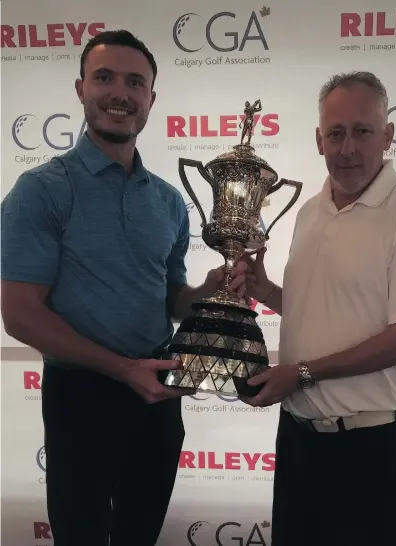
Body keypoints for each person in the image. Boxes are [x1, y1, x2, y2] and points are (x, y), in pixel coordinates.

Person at [1, 30, 246, 546]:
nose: (121, 93)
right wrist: (123, 369)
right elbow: (20, 313)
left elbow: (171, 299)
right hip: (81, 397)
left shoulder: (169, 201)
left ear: (151, 99)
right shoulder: (42, 190)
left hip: (157, 393)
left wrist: (206, 291)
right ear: (80, 88)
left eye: (135, 82)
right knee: (82, 535)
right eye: (105, 77)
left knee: (140, 534)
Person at [240, 71, 396, 546]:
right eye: (336, 133)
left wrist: (304, 373)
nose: (347, 147)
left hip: (369, 451)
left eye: (362, 131)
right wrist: (266, 290)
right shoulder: (310, 210)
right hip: (298, 440)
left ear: (388, 135)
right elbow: (316, 308)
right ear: (318, 140)